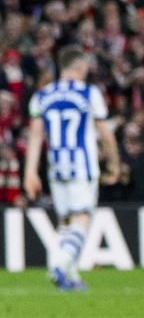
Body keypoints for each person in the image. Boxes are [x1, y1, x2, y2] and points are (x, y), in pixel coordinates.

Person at [23, 47, 116, 291]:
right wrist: (115, 163)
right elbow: (105, 133)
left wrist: (30, 172)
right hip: (83, 166)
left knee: (66, 222)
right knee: (82, 218)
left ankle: (71, 277)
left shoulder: (42, 95)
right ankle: (59, 264)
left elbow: (35, 136)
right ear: (81, 67)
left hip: (56, 167)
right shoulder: (89, 93)